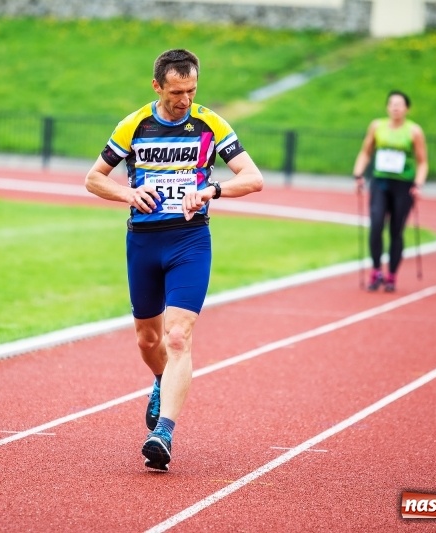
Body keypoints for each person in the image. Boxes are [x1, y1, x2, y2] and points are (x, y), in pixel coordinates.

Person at [84, 49, 263, 471]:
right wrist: (128, 194)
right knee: (149, 340)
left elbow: (253, 178)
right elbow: (93, 178)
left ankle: (163, 432)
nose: (185, 100)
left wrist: (210, 192)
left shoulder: (209, 123)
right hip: (144, 242)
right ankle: (161, 380)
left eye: (192, 90)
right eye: (177, 91)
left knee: (178, 336)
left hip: (189, 240)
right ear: (157, 87)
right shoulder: (135, 125)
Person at [353, 90, 428, 293]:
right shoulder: (377, 126)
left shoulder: (414, 131)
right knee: (376, 224)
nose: (395, 107)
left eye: (399, 104)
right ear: (387, 107)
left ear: (406, 108)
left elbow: (422, 162)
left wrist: (418, 185)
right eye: (392, 103)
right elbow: (366, 151)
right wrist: (358, 173)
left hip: (403, 185)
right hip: (380, 182)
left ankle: (392, 274)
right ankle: (376, 270)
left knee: (396, 229)